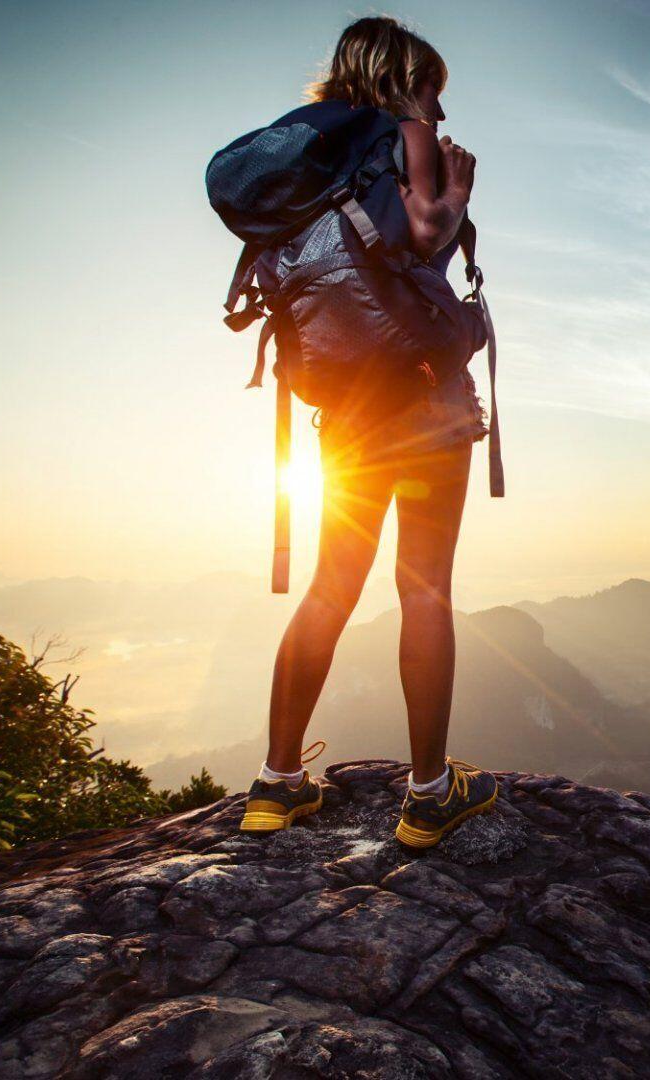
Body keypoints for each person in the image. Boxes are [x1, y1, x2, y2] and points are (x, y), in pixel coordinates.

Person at [238, 16, 497, 848]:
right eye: (435, 92)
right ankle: (428, 796)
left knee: (331, 585)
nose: (441, 115)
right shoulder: (405, 132)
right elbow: (424, 235)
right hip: (424, 406)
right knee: (423, 588)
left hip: (343, 411)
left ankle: (276, 786)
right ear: (403, 78)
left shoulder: (304, 163)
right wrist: (455, 195)